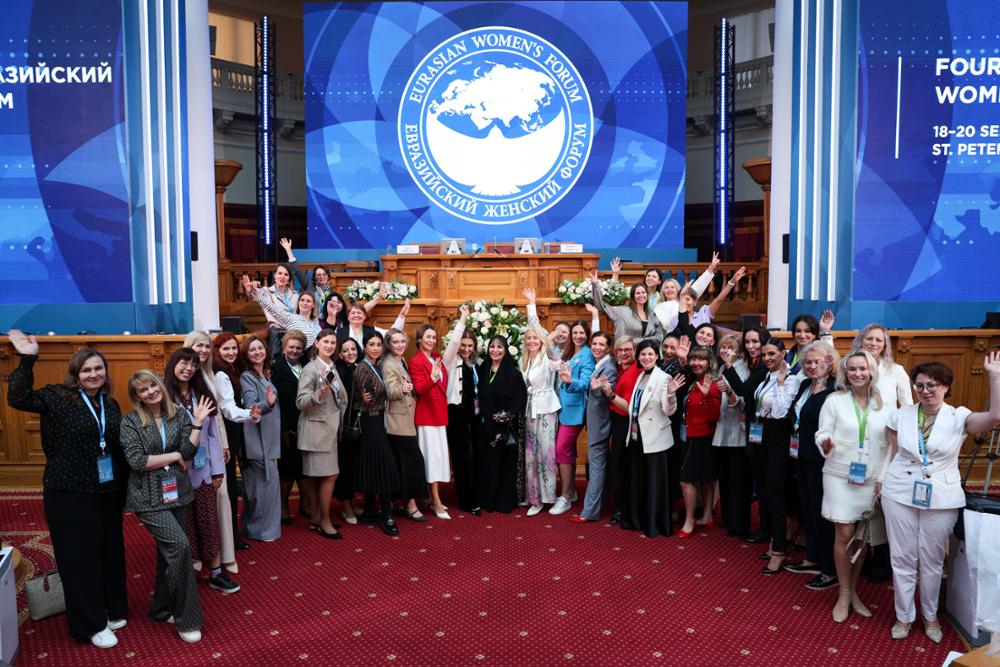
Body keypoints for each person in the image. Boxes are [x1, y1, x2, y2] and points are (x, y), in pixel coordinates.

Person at [6, 331, 127, 648]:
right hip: (69, 492)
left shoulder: (110, 403)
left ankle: (111, 608)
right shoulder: (57, 397)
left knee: (109, 552)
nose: (93, 374)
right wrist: (28, 358)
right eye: (86, 370)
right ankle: (91, 624)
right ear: (75, 374)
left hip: (107, 492)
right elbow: (17, 398)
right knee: (79, 559)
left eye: (98, 368)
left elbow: (115, 447)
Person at [882, 354, 1000, 642]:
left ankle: (930, 615)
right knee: (902, 558)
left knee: (932, 560)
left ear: (946, 386)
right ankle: (904, 616)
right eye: (920, 385)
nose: (925, 391)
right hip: (899, 492)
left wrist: (995, 377)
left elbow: (995, 417)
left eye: (932, 385)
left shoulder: (959, 416)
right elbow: (895, 455)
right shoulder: (900, 415)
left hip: (942, 496)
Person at [120, 370, 211, 644]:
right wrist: (173, 456)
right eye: (142, 390)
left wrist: (197, 424)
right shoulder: (130, 421)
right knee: (181, 547)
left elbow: (189, 452)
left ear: (160, 385)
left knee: (168, 553)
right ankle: (188, 619)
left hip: (178, 493)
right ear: (137, 397)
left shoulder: (180, 415)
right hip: (147, 497)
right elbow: (137, 461)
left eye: (152, 385)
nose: (150, 392)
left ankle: (161, 608)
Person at [816, 350, 892, 622]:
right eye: (852, 369)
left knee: (861, 537)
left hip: (871, 477)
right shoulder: (834, 401)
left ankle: (853, 591)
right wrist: (825, 444)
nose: (858, 373)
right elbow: (822, 432)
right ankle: (844, 593)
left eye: (862, 368)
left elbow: (890, 446)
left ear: (871, 371)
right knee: (844, 533)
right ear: (845, 373)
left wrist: (882, 478)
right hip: (839, 474)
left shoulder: (886, 404)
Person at [162, 348, 239, 595]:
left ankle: (216, 572)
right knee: (182, 524)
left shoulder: (202, 395)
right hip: (176, 472)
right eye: (184, 363)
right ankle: (188, 572)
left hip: (203, 469)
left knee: (208, 521)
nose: (189, 368)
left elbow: (213, 435)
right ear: (173, 364)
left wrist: (218, 470)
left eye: (193, 365)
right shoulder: (163, 397)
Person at [609, 339, 684, 537]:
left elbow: (669, 410)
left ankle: (654, 523)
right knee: (638, 479)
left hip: (655, 438)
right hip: (636, 436)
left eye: (650, 354)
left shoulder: (664, 377)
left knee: (653, 482)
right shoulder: (641, 375)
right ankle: (638, 519)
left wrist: (671, 395)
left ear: (657, 356)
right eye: (643, 354)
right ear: (638, 357)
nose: (646, 357)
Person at [784, 341, 839, 591]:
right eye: (808, 362)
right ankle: (813, 558)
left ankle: (829, 569)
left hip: (822, 460)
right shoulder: (806, 385)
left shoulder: (835, 390)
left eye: (818, 361)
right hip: (802, 456)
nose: (812, 366)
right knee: (808, 509)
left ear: (829, 362)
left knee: (822, 514)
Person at [183, 331, 238, 574]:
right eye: (199, 346)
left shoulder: (210, 374)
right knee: (193, 503)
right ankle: (197, 555)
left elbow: (217, 417)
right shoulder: (182, 375)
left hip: (212, 444)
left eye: (207, 346)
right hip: (188, 448)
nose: (203, 350)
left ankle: (226, 555)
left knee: (221, 495)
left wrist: (224, 444)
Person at [410, 306, 469, 519]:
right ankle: (435, 500)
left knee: (439, 459)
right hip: (426, 417)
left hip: (439, 416)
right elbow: (419, 389)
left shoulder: (436, 357)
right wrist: (433, 377)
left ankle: (431, 496)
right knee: (431, 460)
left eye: (434, 337)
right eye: (427, 337)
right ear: (419, 339)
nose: (431, 340)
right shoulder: (416, 361)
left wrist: (463, 318)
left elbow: (453, 344)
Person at [753, 337, 802, 574]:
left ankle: (780, 549)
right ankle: (775, 541)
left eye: (772, 354)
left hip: (779, 436)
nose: (767, 358)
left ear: (783, 353)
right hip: (763, 434)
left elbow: (782, 412)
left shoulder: (791, 379)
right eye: (764, 355)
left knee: (776, 492)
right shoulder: (767, 376)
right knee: (766, 490)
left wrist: (781, 384)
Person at [720, 326, 772, 545]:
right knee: (759, 480)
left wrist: (729, 366)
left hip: (767, 430)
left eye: (755, 341)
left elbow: (743, 390)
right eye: (748, 342)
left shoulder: (763, 367)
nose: (751, 346)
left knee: (765, 483)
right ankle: (763, 527)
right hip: (753, 427)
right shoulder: (753, 364)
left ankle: (767, 529)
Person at [295, 328, 348, 539]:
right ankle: (324, 521)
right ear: (316, 343)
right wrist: (316, 395)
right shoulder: (311, 369)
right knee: (329, 476)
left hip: (330, 430)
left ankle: (317, 519)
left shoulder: (330, 366)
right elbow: (300, 401)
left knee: (321, 477)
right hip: (316, 432)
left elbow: (340, 397)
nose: (329, 346)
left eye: (333, 343)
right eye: (325, 342)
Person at [212, 333, 262, 552]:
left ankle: (230, 535)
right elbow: (228, 409)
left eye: (234, 348)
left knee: (230, 487)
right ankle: (229, 538)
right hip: (226, 436)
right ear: (217, 351)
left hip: (231, 433)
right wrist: (250, 414)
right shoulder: (221, 374)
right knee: (228, 488)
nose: (231, 352)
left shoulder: (230, 369)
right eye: (226, 349)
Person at [352, 331, 402, 535]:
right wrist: (367, 399)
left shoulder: (380, 365)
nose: (375, 348)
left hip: (380, 420)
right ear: (364, 347)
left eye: (379, 344)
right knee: (385, 466)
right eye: (371, 344)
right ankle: (387, 516)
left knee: (373, 464)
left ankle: (370, 510)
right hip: (370, 421)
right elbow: (368, 399)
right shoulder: (363, 368)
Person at [382, 328, 430, 521]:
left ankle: (400, 502)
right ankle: (411, 505)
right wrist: (401, 389)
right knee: (413, 463)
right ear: (389, 344)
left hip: (406, 418)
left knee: (403, 463)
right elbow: (390, 391)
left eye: (402, 341)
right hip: (398, 421)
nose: (400, 345)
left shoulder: (400, 360)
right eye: (395, 342)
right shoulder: (388, 364)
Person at [477, 335, 528, 513]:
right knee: (488, 463)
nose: (495, 350)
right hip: (486, 424)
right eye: (492, 346)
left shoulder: (514, 373)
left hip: (505, 426)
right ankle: (488, 500)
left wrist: (508, 414)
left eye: (500, 347)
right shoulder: (483, 368)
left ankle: (504, 502)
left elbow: (521, 397)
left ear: (506, 350)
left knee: (505, 463)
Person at [239, 335, 282, 542]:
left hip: (267, 439)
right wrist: (269, 404)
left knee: (263, 487)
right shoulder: (247, 376)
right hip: (257, 441)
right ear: (246, 355)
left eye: (260, 348)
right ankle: (261, 531)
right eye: (252, 350)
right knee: (262, 489)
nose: (257, 352)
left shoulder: (263, 374)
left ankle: (255, 528)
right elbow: (251, 406)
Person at [550, 321, 596, 515]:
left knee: (561, 448)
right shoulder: (569, 352)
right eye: (575, 332)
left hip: (575, 410)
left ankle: (566, 497)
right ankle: (571, 491)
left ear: (587, 335)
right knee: (566, 450)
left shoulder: (587, 355)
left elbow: (585, 383)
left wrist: (571, 381)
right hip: (560, 407)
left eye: (581, 333)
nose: (578, 336)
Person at [676, 346, 722, 537]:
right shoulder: (693, 380)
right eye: (693, 359)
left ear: (709, 363)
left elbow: (714, 415)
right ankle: (707, 516)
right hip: (689, 435)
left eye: (700, 359)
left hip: (701, 437)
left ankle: (689, 520)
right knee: (705, 477)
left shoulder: (713, 384)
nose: (696, 363)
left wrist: (706, 395)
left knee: (686, 480)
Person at [575, 331, 618, 522]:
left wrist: (594, 389)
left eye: (601, 344)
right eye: (594, 344)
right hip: (595, 422)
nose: (597, 347)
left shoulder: (609, 368)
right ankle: (602, 502)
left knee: (596, 468)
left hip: (601, 424)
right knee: (599, 465)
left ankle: (589, 512)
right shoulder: (599, 364)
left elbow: (604, 397)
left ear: (608, 347)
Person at [519, 322, 562, 516]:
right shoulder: (524, 359)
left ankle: (548, 496)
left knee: (546, 453)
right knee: (531, 455)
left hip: (546, 408)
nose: (531, 341)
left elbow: (558, 362)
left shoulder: (547, 357)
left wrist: (548, 342)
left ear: (541, 340)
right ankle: (534, 498)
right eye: (529, 338)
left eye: (535, 338)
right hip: (530, 409)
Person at [269, 331, 310, 525]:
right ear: (284, 348)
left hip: (306, 424)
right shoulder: (276, 369)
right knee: (286, 470)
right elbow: (276, 402)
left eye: (298, 348)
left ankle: (306, 505)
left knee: (303, 468)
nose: (294, 351)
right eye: (291, 347)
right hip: (287, 427)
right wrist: (283, 428)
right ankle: (283, 509)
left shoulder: (306, 365)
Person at [713, 334, 751, 538]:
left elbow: (742, 402)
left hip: (738, 431)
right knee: (725, 478)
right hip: (722, 428)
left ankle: (739, 523)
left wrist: (728, 391)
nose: (725, 350)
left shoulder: (744, 370)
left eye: (730, 347)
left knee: (738, 480)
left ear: (739, 351)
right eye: (723, 347)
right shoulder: (721, 368)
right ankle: (727, 517)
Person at [446, 331, 481, 515]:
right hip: (456, 414)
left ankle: (476, 495)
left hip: (474, 415)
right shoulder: (453, 360)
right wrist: (463, 319)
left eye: (470, 345)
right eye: (463, 345)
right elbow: (452, 344)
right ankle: (467, 501)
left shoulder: (474, 363)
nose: (466, 349)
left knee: (474, 457)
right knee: (462, 458)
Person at [608, 336, 639, 525]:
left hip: (626, 421)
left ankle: (623, 508)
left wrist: (609, 394)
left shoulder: (636, 371)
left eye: (628, 349)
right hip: (616, 420)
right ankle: (620, 505)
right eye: (620, 349)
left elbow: (628, 406)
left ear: (634, 351)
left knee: (621, 466)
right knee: (617, 465)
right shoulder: (619, 368)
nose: (624, 353)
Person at [243, 274, 321, 348]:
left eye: (308, 301)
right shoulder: (290, 318)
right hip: (299, 354)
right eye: (302, 300)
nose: (305, 303)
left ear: (313, 305)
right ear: (298, 303)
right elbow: (271, 307)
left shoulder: (315, 321)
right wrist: (252, 292)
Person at [650, 252, 720, 333]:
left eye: (672, 287)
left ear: (678, 290)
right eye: (666, 287)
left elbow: (699, 285)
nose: (669, 290)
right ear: (663, 291)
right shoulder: (658, 307)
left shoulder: (683, 302)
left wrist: (711, 267)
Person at [670, 266, 746, 340]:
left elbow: (719, 300)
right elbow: (672, 340)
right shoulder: (674, 319)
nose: (685, 302)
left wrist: (732, 282)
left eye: (688, 299)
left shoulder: (704, 313)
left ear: (695, 302)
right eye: (682, 300)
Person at [850, 322, 913, 408]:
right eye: (869, 339)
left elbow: (907, 405)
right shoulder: (847, 368)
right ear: (860, 342)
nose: (873, 343)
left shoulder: (897, 370)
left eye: (878, 340)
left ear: (884, 345)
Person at [334, 337, 362, 523]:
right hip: (344, 425)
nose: (350, 352)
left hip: (356, 424)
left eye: (353, 349)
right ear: (340, 354)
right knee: (344, 467)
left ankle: (351, 502)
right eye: (346, 350)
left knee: (352, 466)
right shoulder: (341, 371)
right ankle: (345, 506)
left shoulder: (358, 367)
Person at [590, 272, 662, 342]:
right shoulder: (622, 311)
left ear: (647, 295)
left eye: (643, 292)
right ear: (633, 296)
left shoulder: (651, 314)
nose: (641, 295)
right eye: (637, 293)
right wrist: (596, 285)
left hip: (645, 350)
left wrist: (643, 341)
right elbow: (601, 307)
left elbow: (659, 336)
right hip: (625, 349)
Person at [279, 237, 334, 313]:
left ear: (328, 276)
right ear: (315, 277)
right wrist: (288, 250)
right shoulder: (308, 285)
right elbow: (297, 270)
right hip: (309, 318)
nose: (321, 277)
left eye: (324, 274)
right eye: (318, 275)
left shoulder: (331, 291)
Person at [334, 295, 410, 345]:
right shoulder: (338, 332)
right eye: (353, 313)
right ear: (348, 317)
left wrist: (402, 315)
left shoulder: (373, 330)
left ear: (364, 316)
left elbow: (391, 334)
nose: (356, 315)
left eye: (359, 313)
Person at [260, 263, 299, 358]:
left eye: (286, 274)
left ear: (289, 279)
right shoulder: (267, 292)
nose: (282, 276)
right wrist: (251, 289)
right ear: (274, 276)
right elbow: (254, 294)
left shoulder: (295, 295)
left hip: (293, 331)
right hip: (277, 331)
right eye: (280, 273)